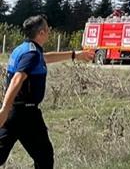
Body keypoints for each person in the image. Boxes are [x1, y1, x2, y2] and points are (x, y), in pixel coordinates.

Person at [1, 15, 94, 168]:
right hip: (25, 114)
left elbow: (45, 58)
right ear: (41, 33)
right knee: (45, 158)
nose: (50, 31)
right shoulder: (31, 54)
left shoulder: (24, 49)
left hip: (14, 113)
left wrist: (75, 55)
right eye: (47, 28)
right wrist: (4, 109)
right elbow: (18, 78)